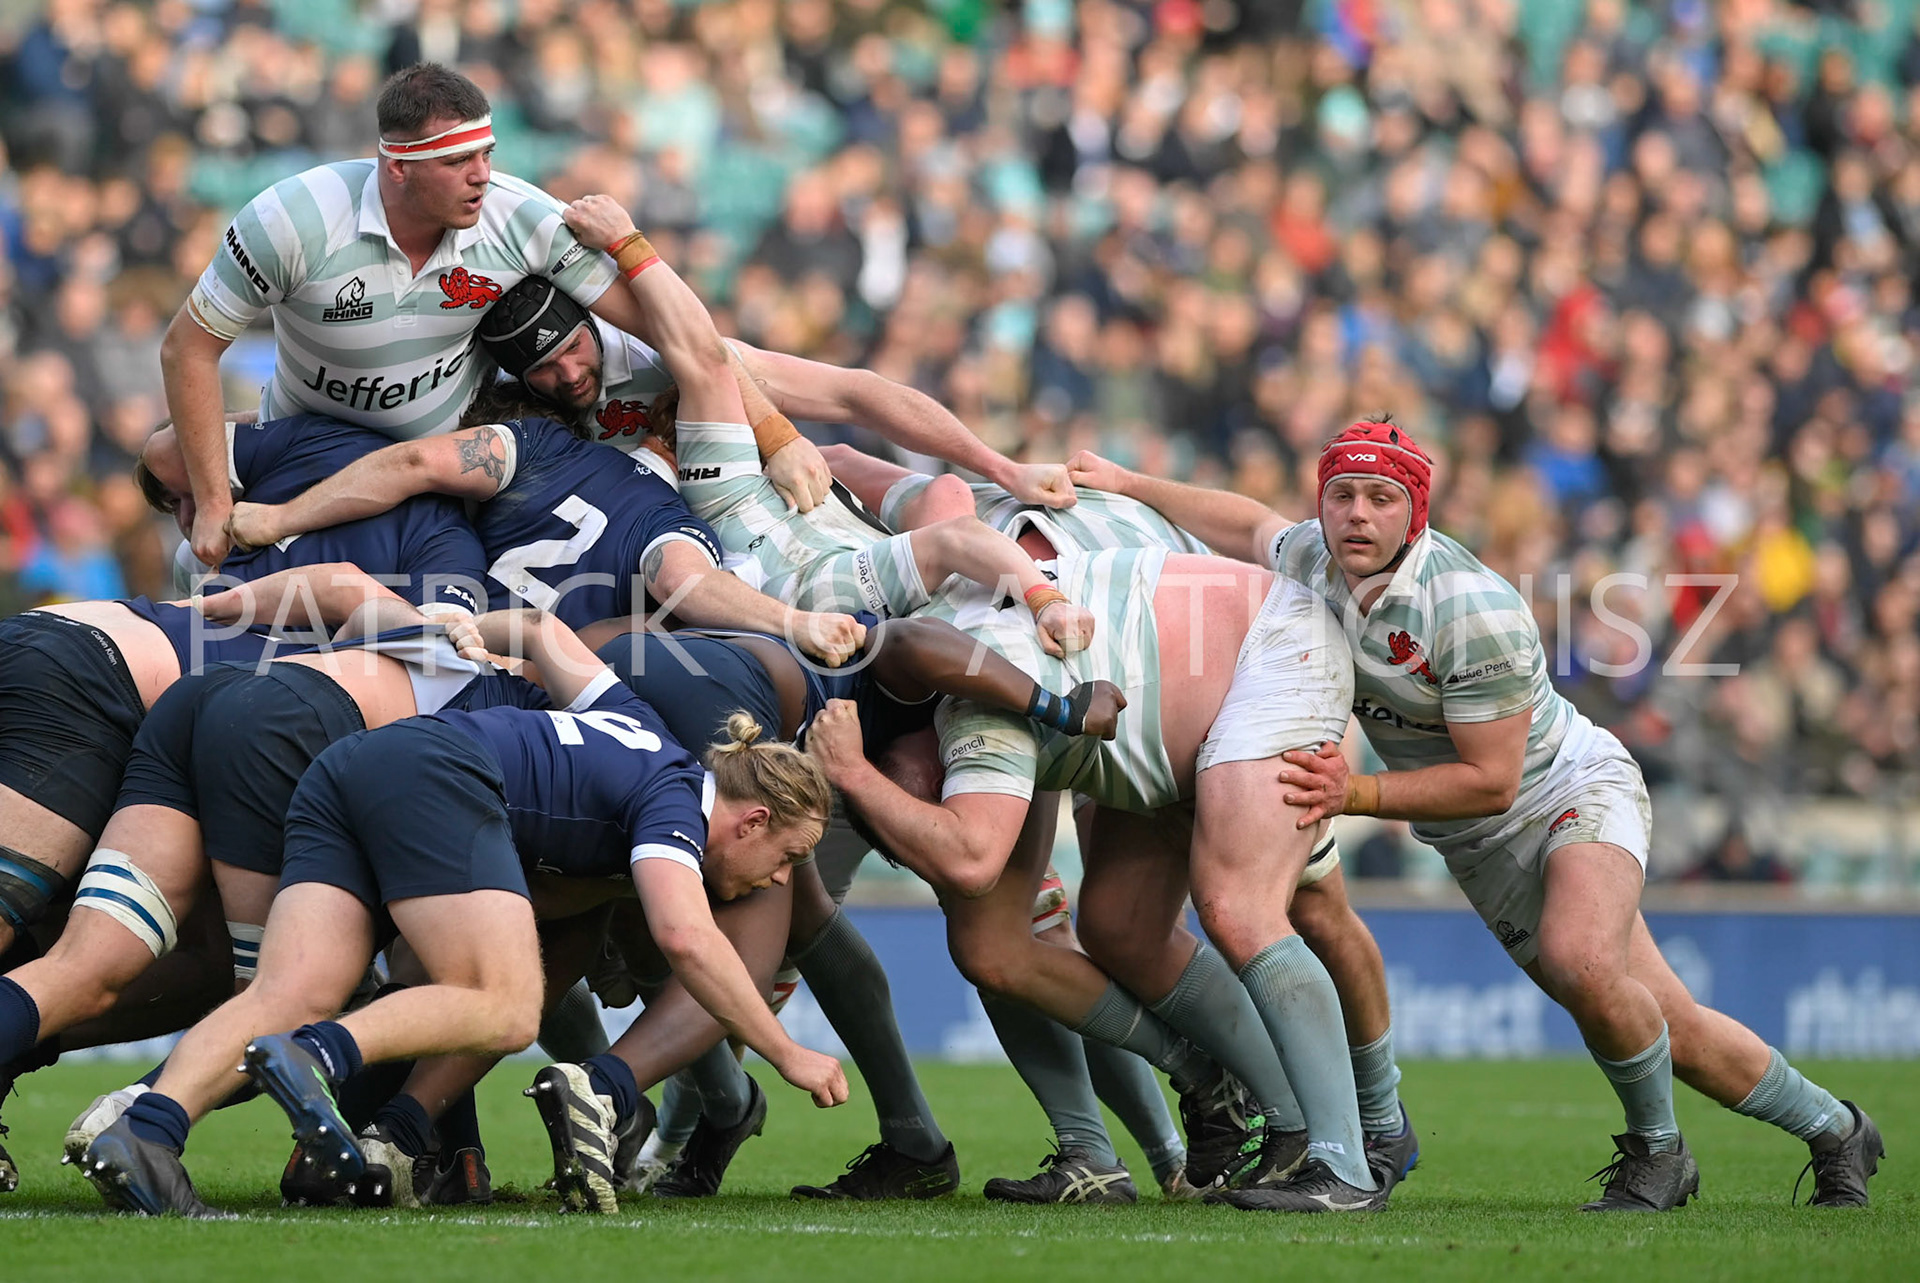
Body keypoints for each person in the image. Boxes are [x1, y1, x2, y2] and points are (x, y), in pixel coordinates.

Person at [1065, 420, 1885, 1211]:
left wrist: (1356, 792)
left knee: (1581, 958)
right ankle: (1838, 1128)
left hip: (1566, 790)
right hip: (1478, 843)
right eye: (1341, 494)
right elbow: (1247, 522)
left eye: (1381, 498)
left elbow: (1494, 781)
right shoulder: (1314, 555)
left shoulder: (1471, 607)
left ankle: (1659, 1153)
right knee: (1670, 1022)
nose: (1357, 514)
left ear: (1416, 511)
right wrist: (1128, 482)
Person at [79, 607, 847, 1218]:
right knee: (509, 1007)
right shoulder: (679, 800)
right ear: (753, 819)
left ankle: (148, 1131)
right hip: (438, 774)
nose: (778, 877)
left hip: (354, 765)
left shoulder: (635, 720)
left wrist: (469, 629)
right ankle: (317, 1054)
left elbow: (540, 629)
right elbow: (685, 935)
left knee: (287, 992)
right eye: (787, 856)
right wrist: (788, 1053)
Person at [829, 445, 1418, 1187]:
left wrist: (853, 771)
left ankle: (1355, 1135)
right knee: (1100, 929)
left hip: (1252, 659)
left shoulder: (971, 671)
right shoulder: (955, 583)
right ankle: (1211, 1097)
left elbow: (968, 855)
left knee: (1270, 908)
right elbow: (870, 464)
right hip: (1136, 676)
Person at [162, 64, 829, 571]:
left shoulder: (519, 216)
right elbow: (186, 349)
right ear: (395, 168)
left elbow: (675, 335)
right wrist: (214, 500)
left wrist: (777, 435)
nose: (482, 176)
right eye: (457, 161)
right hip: (308, 446)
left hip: (445, 481)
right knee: (175, 505)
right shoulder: (292, 221)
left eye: (487, 154)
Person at [576, 618, 1123, 1205]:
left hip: (808, 746)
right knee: (799, 920)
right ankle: (877, 1136)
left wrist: (1061, 708)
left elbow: (909, 635)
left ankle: (638, 1098)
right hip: (792, 741)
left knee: (1003, 944)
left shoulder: (729, 745)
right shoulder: (598, 698)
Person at [0, 571, 412, 1193]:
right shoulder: (474, 663)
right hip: (110, 683)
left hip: (130, 676)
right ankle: (144, 1119)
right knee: (279, 994)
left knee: (110, 965)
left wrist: (210, 595)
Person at [138, 415, 487, 615]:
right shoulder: (192, 563)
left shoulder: (438, 532)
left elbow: (440, 653)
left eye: (194, 493)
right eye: (174, 504)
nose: (189, 516)